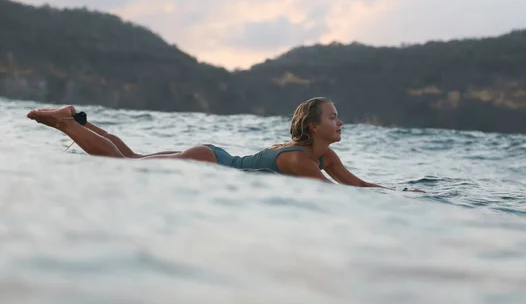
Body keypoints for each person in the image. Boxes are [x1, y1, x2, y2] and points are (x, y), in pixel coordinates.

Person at [27, 96, 424, 191]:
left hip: (211, 156)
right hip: (210, 163)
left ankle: (77, 119)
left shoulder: (325, 156)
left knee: (130, 157)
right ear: (315, 127)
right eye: (334, 117)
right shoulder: (301, 161)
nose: (341, 122)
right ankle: (66, 125)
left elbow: (356, 186)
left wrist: (399, 191)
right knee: (124, 163)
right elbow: (337, 196)